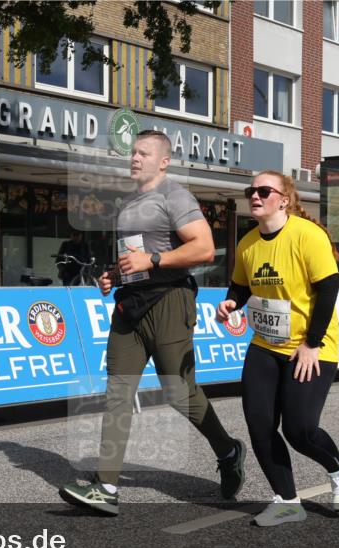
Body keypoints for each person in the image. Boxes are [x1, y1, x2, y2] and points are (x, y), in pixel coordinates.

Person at [59, 130, 245, 516]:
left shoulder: (174, 196)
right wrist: (113, 275)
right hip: (130, 306)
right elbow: (135, 257)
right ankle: (106, 486)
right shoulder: (129, 203)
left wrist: (154, 263)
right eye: (132, 152)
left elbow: (204, 247)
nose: (134, 158)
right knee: (117, 392)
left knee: (179, 393)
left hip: (169, 301)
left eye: (143, 153)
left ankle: (228, 450)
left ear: (163, 161)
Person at [216, 171, 339, 526]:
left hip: (309, 346)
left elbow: (329, 289)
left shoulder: (307, 236)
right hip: (265, 345)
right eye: (251, 191)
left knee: (300, 430)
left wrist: (311, 343)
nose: (255, 196)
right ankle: (287, 501)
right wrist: (231, 304)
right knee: (259, 425)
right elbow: (240, 288)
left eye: (264, 190)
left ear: (284, 199)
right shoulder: (248, 242)